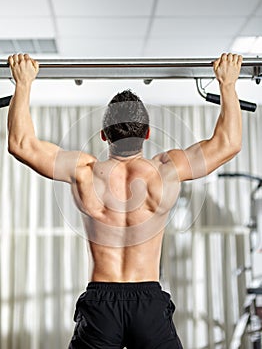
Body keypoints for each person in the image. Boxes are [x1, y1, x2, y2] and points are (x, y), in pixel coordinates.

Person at [7, 52, 242, 349]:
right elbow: (228, 143)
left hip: (100, 303)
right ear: (147, 133)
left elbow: (21, 144)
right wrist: (228, 84)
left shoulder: (85, 172)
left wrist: (24, 84)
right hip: (148, 303)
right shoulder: (165, 172)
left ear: (104, 135)